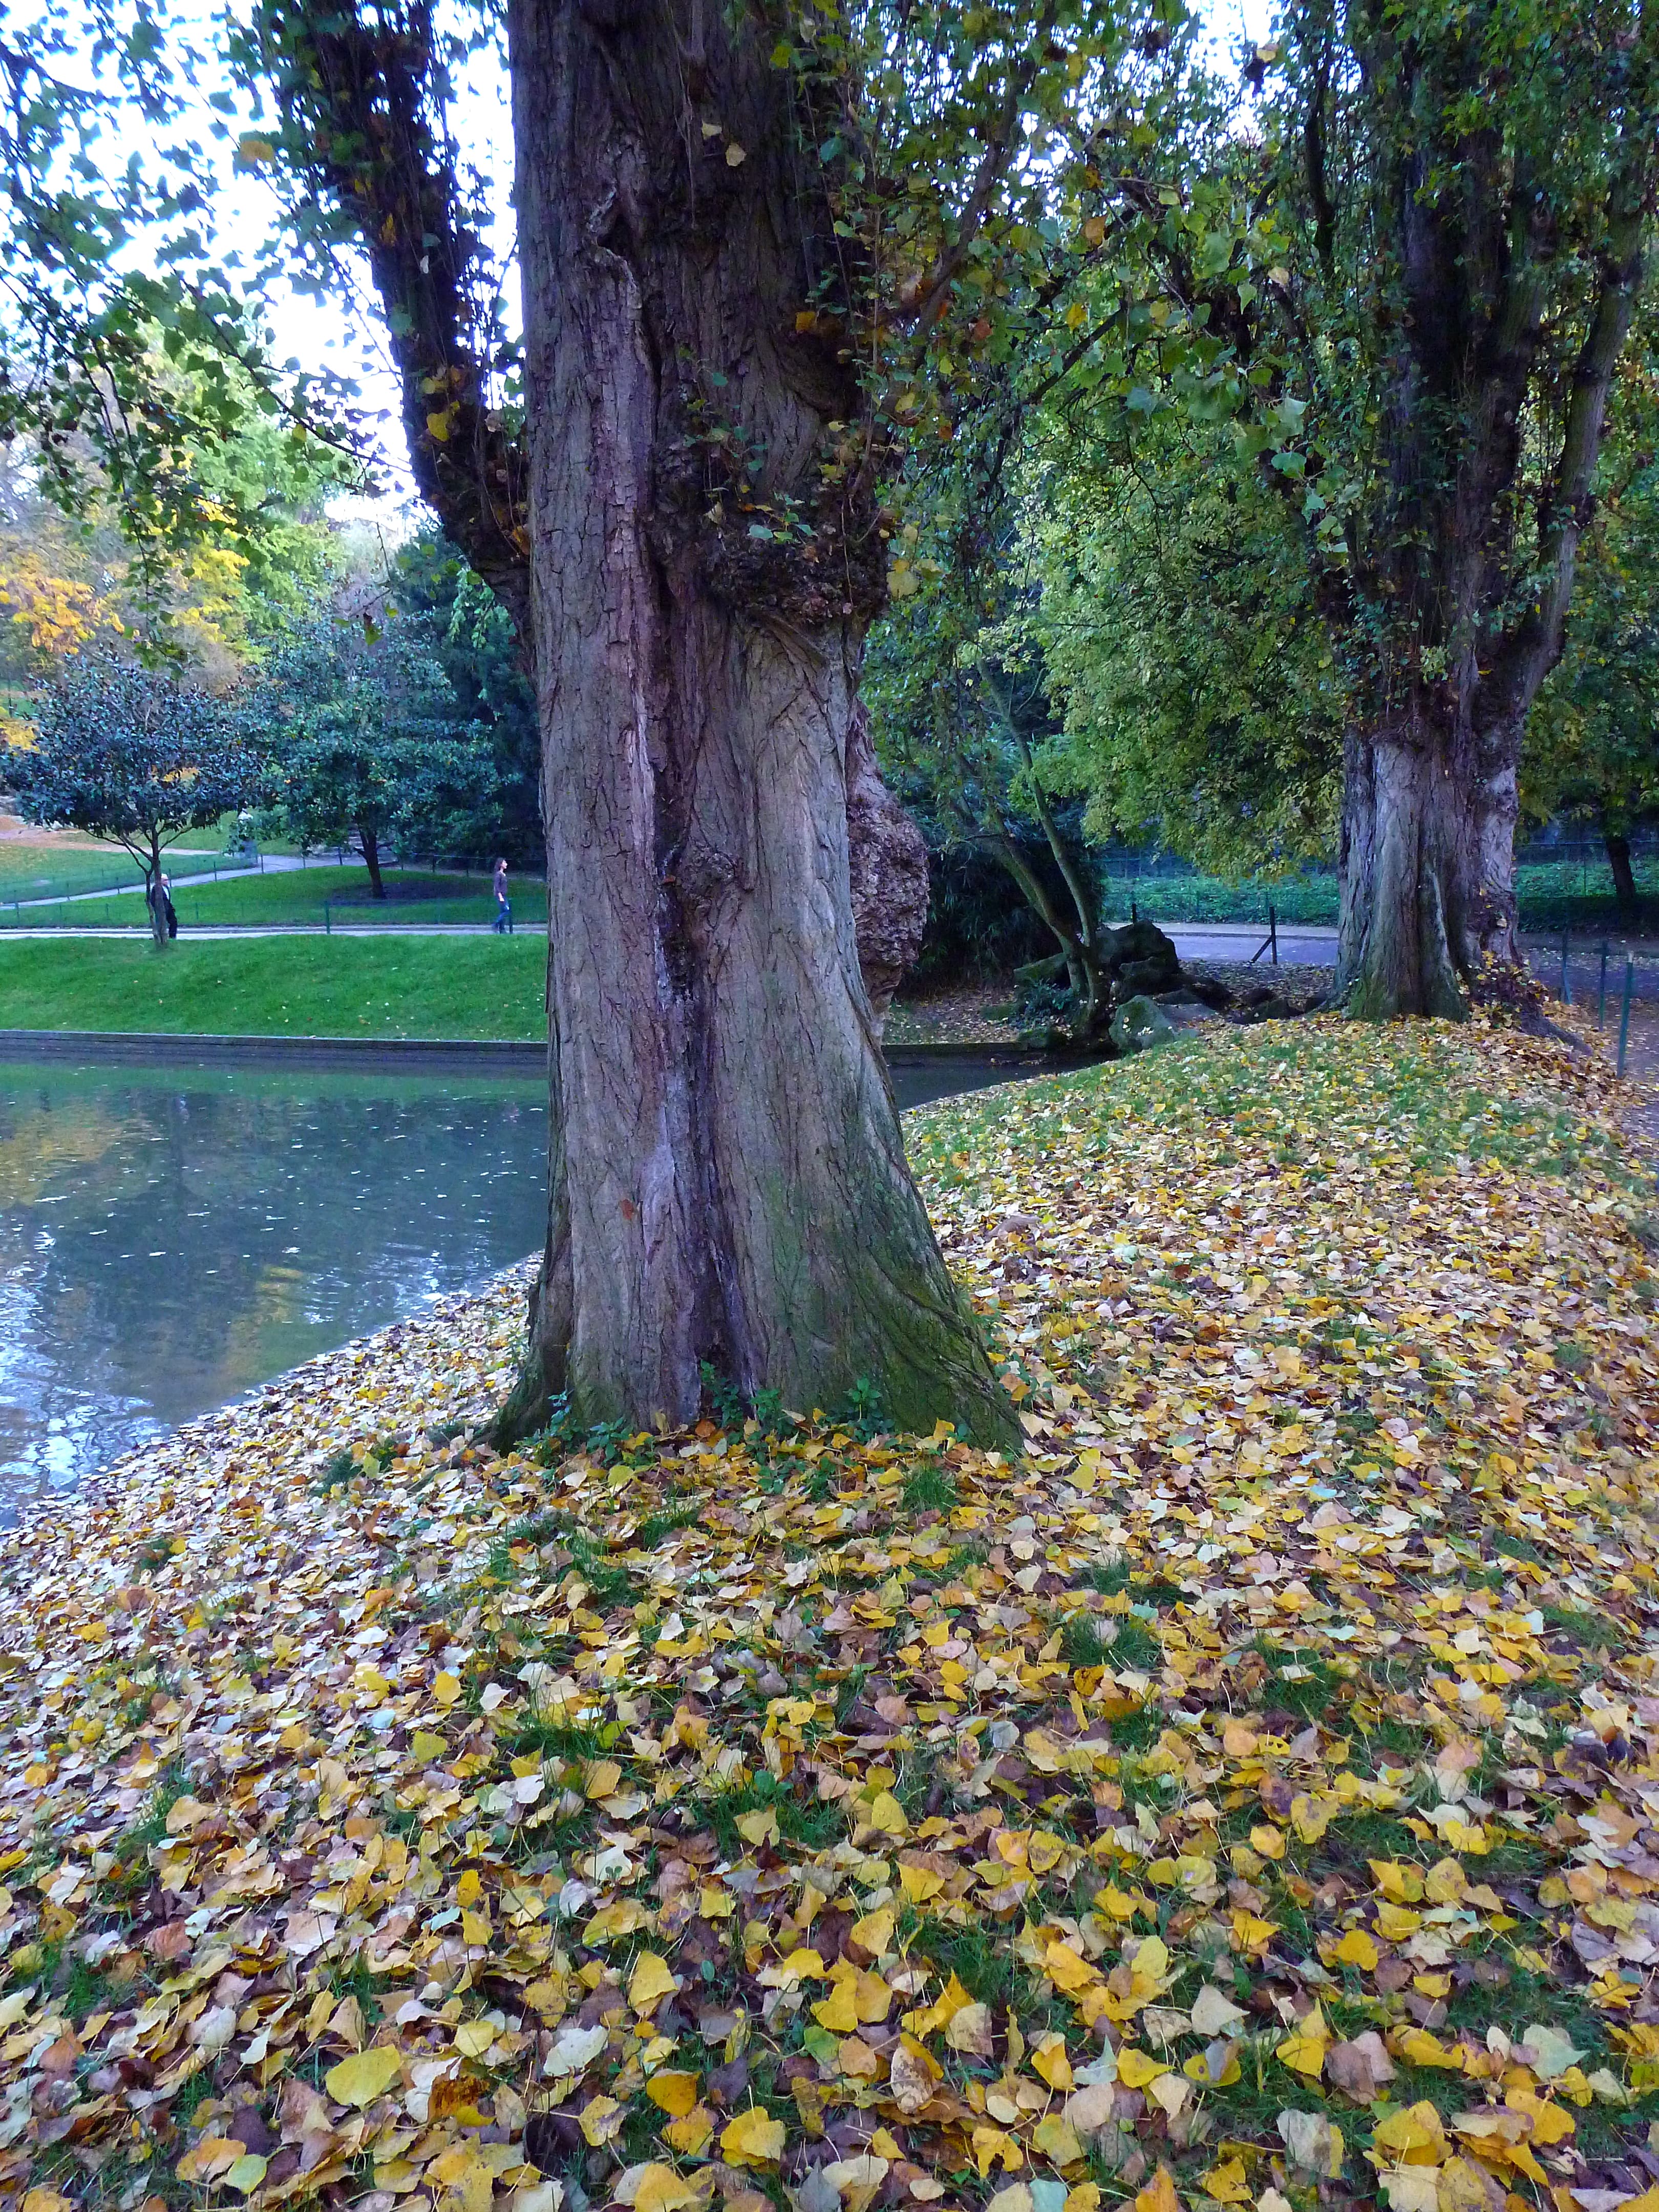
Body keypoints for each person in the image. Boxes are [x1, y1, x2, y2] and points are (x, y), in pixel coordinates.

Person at [492, 857, 513, 934]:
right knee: (506, 911)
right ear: (501, 865)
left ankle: (502, 929)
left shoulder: (503, 874)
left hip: (504, 895)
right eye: (505, 863)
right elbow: (497, 887)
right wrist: (500, 897)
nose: (506, 864)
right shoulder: (498, 875)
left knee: (503, 912)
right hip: (501, 896)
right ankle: (496, 924)